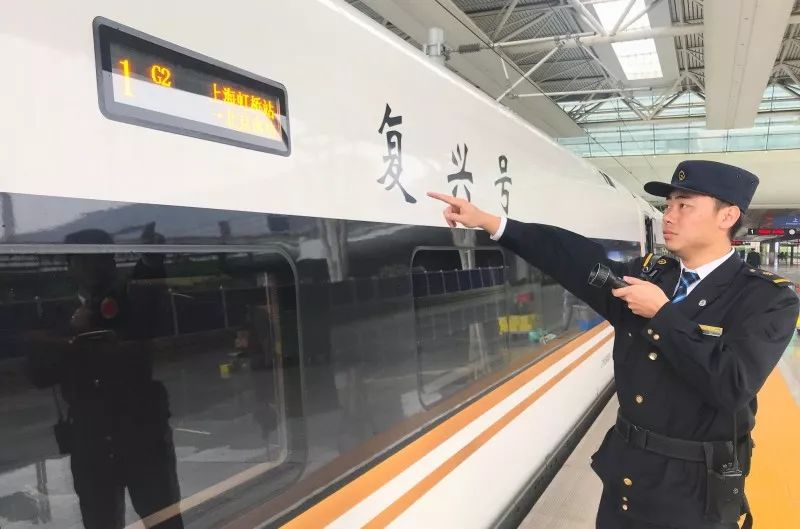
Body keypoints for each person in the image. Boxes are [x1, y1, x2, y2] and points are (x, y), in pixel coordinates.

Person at [429, 160, 799, 529]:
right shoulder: (651, 274)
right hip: (625, 478)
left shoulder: (767, 299)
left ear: (727, 216)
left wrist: (663, 315)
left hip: (694, 494)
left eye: (684, 205)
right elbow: (571, 257)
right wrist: (492, 222)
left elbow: (732, 384)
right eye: (668, 204)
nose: (669, 216)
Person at [26, 228, 183, 529]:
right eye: (83, 260)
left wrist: (151, 261)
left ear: (112, 262)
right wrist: (71, 333)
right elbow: (38, 374)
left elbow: (149, 295)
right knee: (100, 521)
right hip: (90, 444)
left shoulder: (130, 299)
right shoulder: (55, 315)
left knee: (164, 519)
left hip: (143, 438)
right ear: (70, 266)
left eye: (100, 257)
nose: (93, 267)